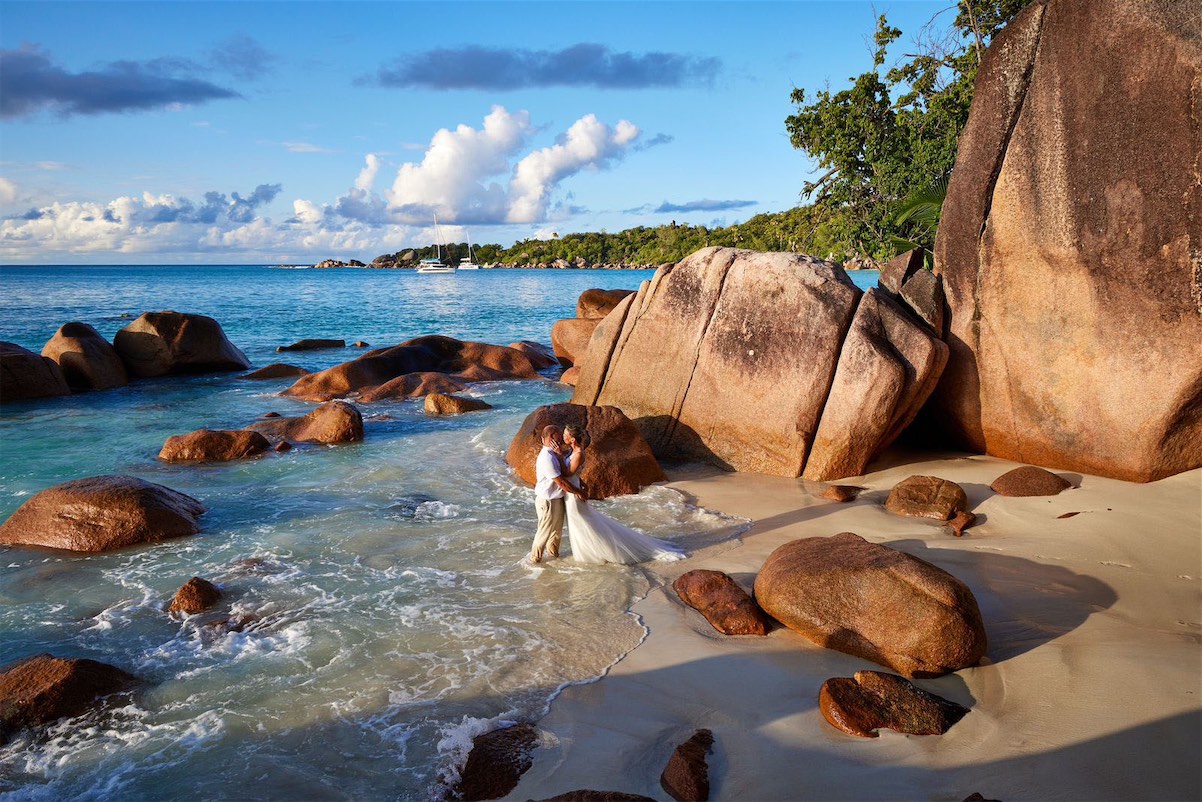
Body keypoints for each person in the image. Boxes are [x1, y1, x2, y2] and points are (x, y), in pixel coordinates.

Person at [559, 423, 685, 565]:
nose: (562, 437)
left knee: (582, 523)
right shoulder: (573, 452)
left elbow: (567, 474)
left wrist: (557, 454)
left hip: (574, 492)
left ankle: (596, 554)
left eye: (565, 435)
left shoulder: (578, 454)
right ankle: (589, 553)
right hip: (574, 489)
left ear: (572, 440)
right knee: (582, 523)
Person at [529, 424, 584, 564]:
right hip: (547, 501)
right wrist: (579, 492)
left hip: (557, 499)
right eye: (559, 435)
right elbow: (561, 482)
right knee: (544, 533)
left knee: (556, 533)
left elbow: (568, 471)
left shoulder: (554, 453)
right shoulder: (547, 457)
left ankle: (554, 559)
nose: (561, 437)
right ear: (553, 437)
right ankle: (534, 561)